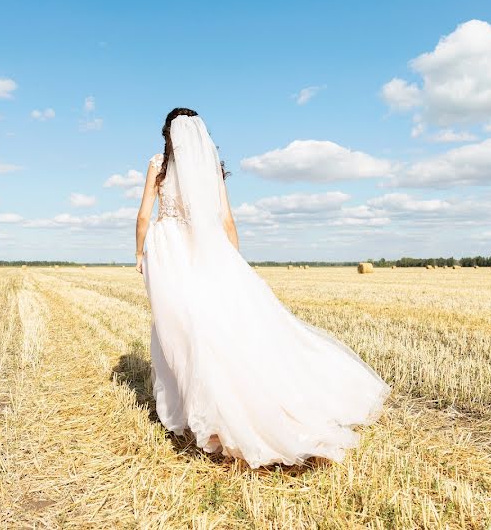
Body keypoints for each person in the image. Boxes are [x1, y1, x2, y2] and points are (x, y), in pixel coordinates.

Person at [134, 107, 390, 469]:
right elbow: (226, 220)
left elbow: (145, 215)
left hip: (171, 253)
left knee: (179, 330)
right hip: (209, 255)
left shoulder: (157, 165)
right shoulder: (212, 171)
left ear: (167, 135)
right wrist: (233, 263)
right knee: (214, 328)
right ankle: (217, 412)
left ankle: (197, 413)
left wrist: (138, 251)